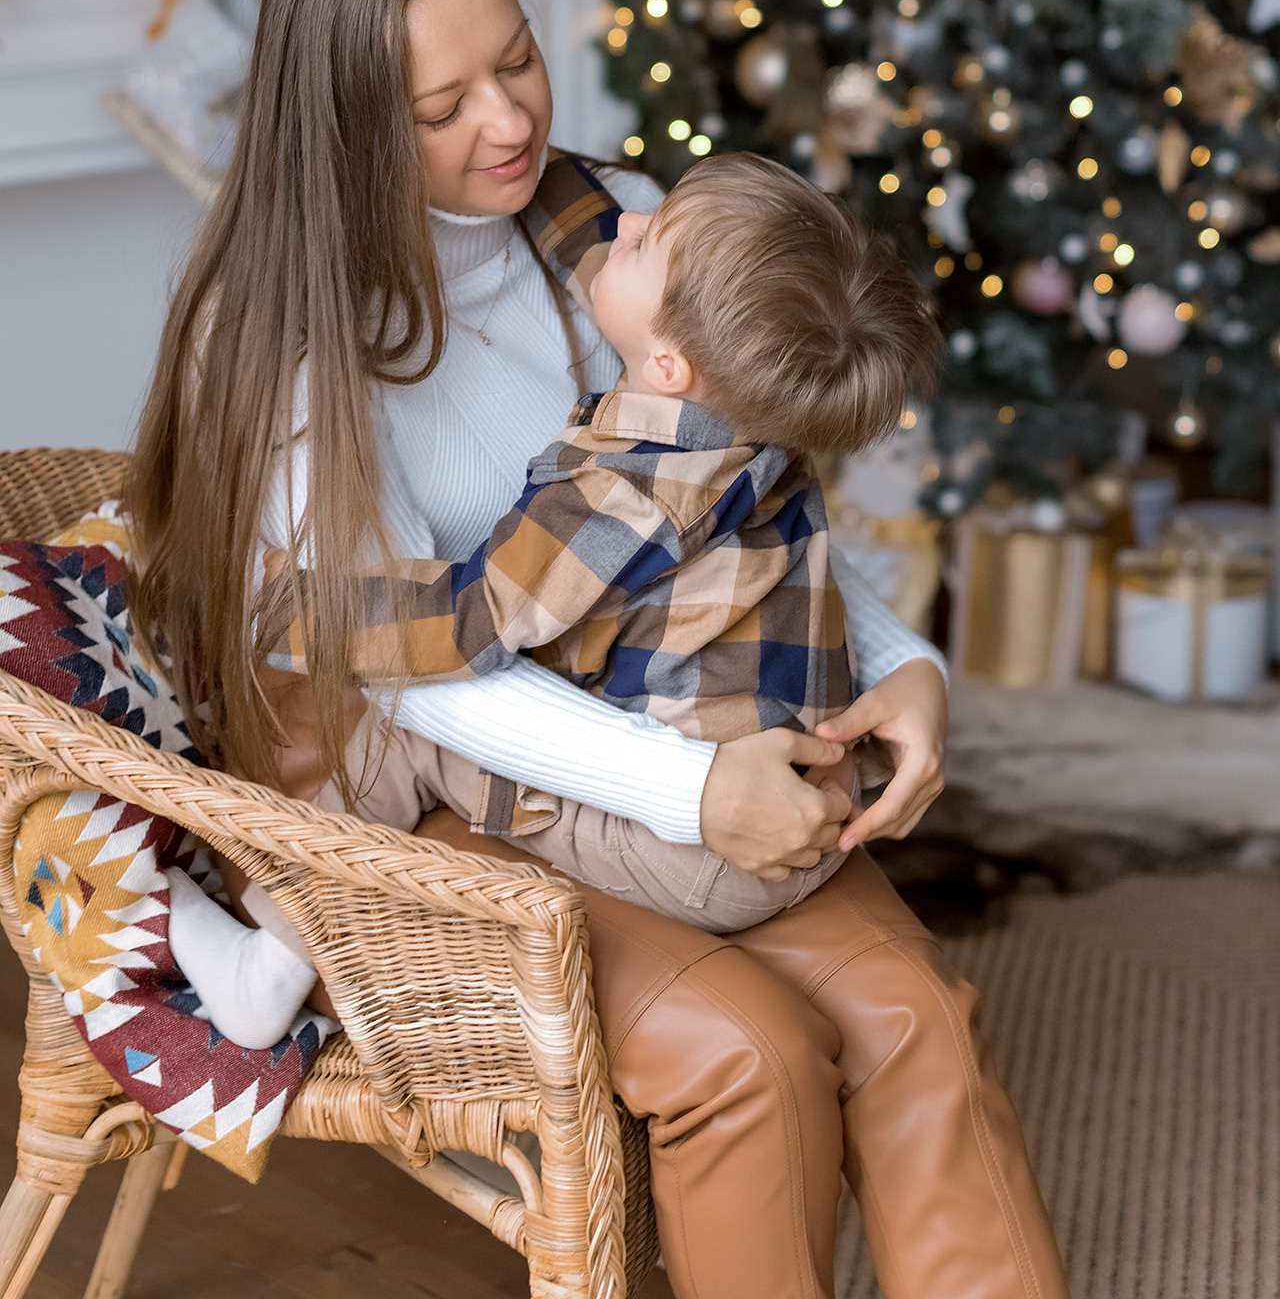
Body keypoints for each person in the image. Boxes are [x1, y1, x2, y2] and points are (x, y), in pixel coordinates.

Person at [131, 0, 1068, 1299]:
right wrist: (691, 795)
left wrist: (909, 669)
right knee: (743, 1053)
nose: (508, 124)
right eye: (440, 108)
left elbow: (752, 511)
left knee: (916, 1015)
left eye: (515, 60)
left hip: (651, 725)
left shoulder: (626, 237)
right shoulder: (278, 341)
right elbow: (417, 665)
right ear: (339, 127)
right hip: (438, 784)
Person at [165, 147, 940, 1036]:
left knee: (389, 735)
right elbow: (598, 240)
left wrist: (292, 607)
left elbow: (466, 622)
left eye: (647, 243)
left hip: (714, 847)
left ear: (671, 362)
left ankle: (270, 960)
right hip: (809, 785)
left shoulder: (622, 493)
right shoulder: (758, 413)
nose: (630, 221)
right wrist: (534, 169)